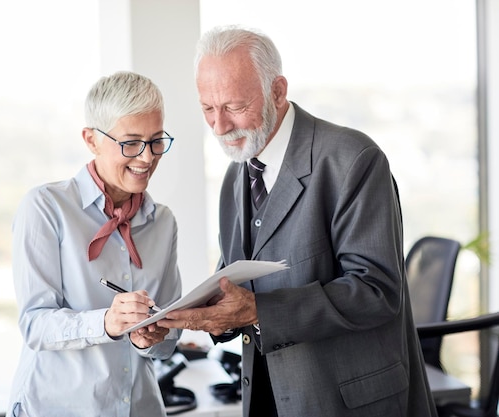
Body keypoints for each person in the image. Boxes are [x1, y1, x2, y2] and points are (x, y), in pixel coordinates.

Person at [158, 25, 437, 417]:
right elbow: (237, 283)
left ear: (277, 90)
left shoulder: (352, 159)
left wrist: (258, 310)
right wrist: (200, 315)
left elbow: (376, 291)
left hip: (348, 403)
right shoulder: (235, 176)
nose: (219, 126)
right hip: (268, 398)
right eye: (208, 108)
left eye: (234, 106)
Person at [6, 71, 182, 417]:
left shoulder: (163, 223)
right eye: (131, 143)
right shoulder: (45, 208)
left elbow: (167, 347)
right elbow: (35, 325)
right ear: (91, 139)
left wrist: (152, 338)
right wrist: (107, 323)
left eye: (156, 141)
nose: (146, 158)